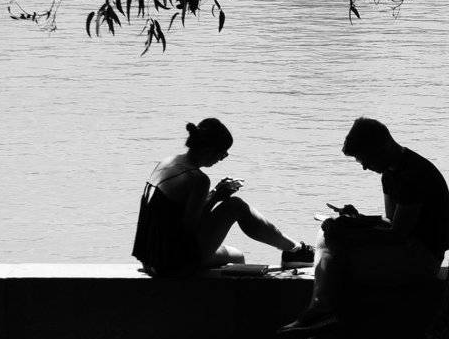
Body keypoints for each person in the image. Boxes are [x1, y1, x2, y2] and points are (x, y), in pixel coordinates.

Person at [281, 117, 449, 339]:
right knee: (328, 234)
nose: (364, 167)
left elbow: (398, 234)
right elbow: (390, 222)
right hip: (404, 246)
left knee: (339, 264)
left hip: (422, 257)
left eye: (365, 159)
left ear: (383, 146)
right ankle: (320, 314)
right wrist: (358, 220)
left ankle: (316, 336)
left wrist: (350, 234)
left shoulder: (413, 175)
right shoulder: (390, 174)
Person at [132, 118, 314, 276]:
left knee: (237, 256)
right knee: (236, 206)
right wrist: (216, 197)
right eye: (223, 153)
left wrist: (215, 194)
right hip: (171, 263)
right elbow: (189, 229)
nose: (223, 158)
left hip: (150, 259)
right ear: (209, 150)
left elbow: (176, 216)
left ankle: (293, 249)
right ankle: (295, 250)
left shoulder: (166, 163)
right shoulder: (198, 179)